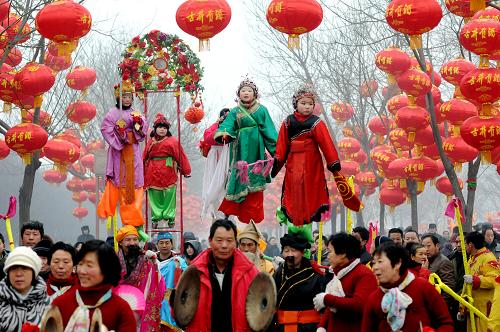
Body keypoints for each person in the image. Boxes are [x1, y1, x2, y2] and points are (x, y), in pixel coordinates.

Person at [271, 85, 340, 227]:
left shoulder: (317, 122)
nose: (307, 107)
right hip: (293, 161)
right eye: (303, 103)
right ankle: (296, 220)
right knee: (294, 189)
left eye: (310, 104)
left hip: (311, 162)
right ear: (296, 104)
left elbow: (326, 143)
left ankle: (308, 219)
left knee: (311, 189)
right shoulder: (288, 121)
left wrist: (333, 162)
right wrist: (277, 162)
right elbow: (282, 144)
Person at [214, 77, 278, 223]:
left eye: (249, 90)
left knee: (254, 183)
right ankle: (234, 210)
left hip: (256, 152)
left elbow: (269, 131)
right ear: (239, 94)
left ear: (255, 94)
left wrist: (277, 151)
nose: (246, 93)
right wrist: (225, 134)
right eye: (243, 91)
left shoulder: (262, 110)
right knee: (239, 178)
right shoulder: (235, 111)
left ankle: (254, 216)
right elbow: (228, 126)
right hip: (240, 151)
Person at [180, 219, 259, 331]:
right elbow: (181, 313)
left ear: (235, 242)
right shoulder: (194, 273)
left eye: (229, 240)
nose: (224, 245)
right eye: (219, 240)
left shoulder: (250, 273)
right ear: (210, 240)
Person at [362, 243, 453, 331]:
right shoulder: (374, 298)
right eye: (374, 262)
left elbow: (446, 323)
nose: (375, 267)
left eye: (380, 262)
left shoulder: (423, 287)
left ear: (397, 263)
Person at [52, 240, 136, 332]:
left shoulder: (121, 309)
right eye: (80, 264)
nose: (82, 271)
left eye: (89, 265)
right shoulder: (60, 304)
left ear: (106, 269)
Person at [97, 80, 149, 229]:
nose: (127, 99)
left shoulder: (135, 113)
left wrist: (139, 125)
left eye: (129, 97)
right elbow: (106, 128)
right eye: (124, 97)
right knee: (120, 181)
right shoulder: (112, 113)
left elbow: (143, 128)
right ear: (119, 98)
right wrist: (120, 137)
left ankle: (133, 220)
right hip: (119, 152)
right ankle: (122, 217)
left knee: (135, 182)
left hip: (133, 150)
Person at [313, 233, 377, 332]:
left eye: (330, 252)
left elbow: (360, 305)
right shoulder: (338, 273)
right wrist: (322, 326)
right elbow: (331, 309)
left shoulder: (364, 274)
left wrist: (327, 298)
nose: (328, 256)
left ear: (342, 253)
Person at [271, 232, 326, 332]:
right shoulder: (279, 273)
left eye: (294, 250)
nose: (290, 254)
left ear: (302, 252)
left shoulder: (314, 274)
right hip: (281, 328)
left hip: (308, 328)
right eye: (286, 250)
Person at [144, 113, 191, 228]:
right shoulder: (150, 141)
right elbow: (144, 156)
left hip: (168, 169)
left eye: (165, 128)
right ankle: (156, 217)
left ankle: (169, 216)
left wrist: (186, 170)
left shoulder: (173, 141)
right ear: (155, 129)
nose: (162, 130)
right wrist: (140, 172)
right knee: (155, 195)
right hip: (153, 170)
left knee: (170, 194)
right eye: (160, 127)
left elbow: (181, 156)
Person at [115, 225, 165, 332]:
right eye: (128, 240)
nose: (132, 243)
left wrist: (155, 265)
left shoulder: (146, 260)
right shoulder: (113, 260)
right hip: (118, 305)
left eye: (135, 239)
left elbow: (157, 281)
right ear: (120, 242)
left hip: (140, 306)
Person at [0, 246, 50, 331]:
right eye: (14, 268)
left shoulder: (49, 305)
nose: (19, 274)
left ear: (34, 272)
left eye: (25, 268)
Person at [462, 231, 500, 332]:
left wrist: (475, 280)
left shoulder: (488, 258)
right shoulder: (471, 259)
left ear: (471, 245)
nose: (464, 247)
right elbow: (466, 287)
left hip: (484, 310)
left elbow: (494, 280)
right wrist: (462, 309)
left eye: (465, 244)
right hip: (472, 309)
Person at [201, 108, 231, 220]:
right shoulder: (215, 127)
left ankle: (227, 213)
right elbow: (208, 138)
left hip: (229, 158)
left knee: (226, 187)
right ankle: (217, 214)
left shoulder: (235, 128)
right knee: (214, 187)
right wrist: (219, 126)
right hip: (215, 159)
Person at [156, 232, 187, 331]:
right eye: (161, 243)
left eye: (167, 243)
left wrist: (178, 269)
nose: (164, 245)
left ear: (172, 244)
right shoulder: (151, 261)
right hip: (154, 300)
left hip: (171, 302)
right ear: (157, 245)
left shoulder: (178, 261)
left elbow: (187, 280)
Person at [422, 234, 456, 311]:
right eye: (423, 246)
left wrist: (439, 307)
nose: (426, 249)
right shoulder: (426, 261)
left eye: (428, 246)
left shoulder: (443, 262)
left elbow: (448, 289)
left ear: (437, 246)